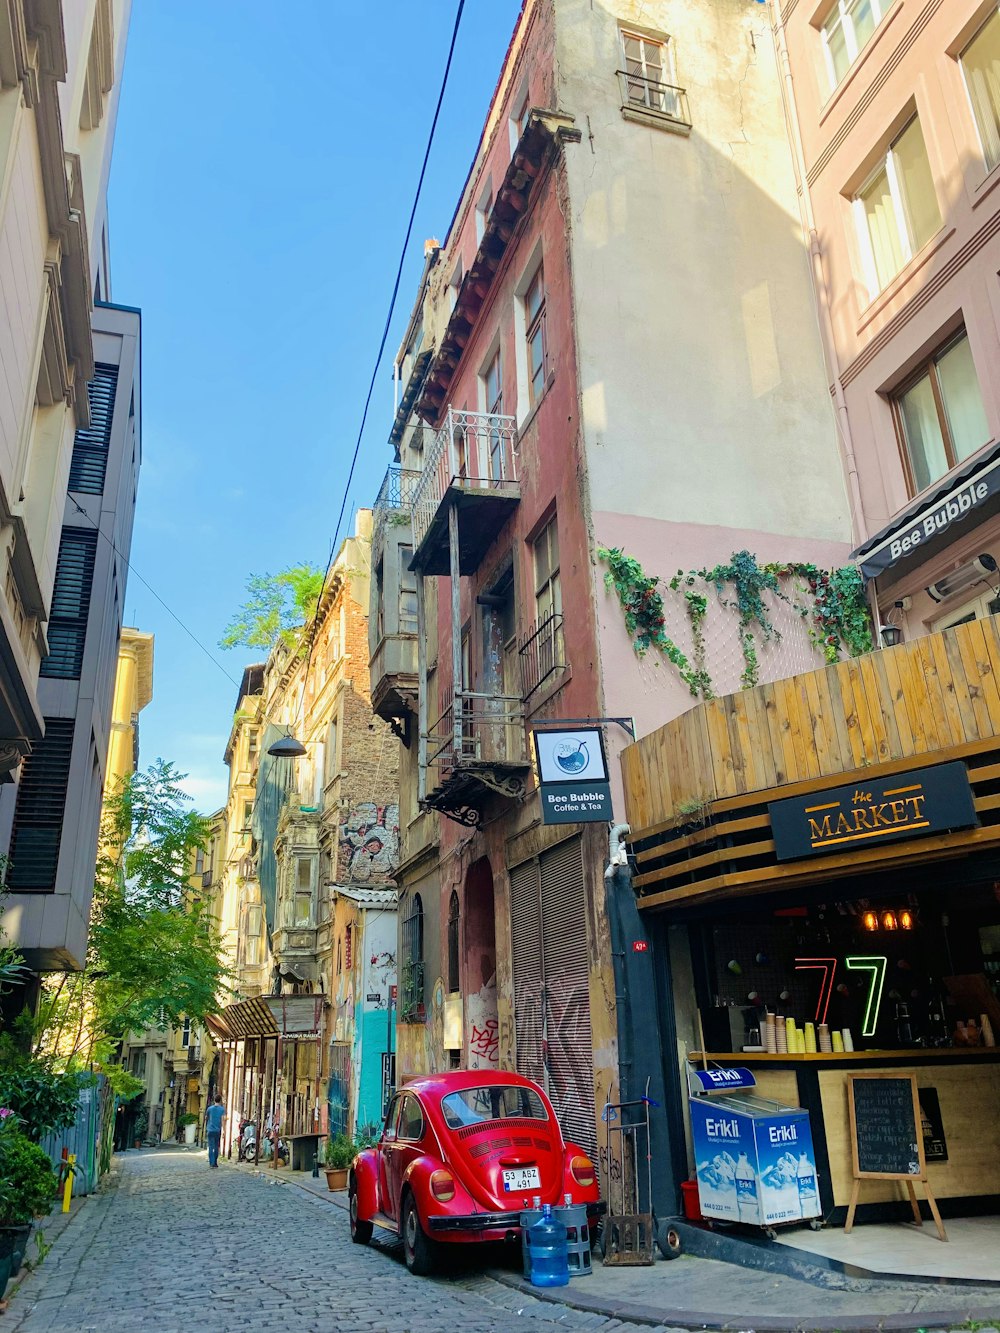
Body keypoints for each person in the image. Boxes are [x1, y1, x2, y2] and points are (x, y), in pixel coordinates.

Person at [205, 1095, 226, 1168]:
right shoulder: (222, 1109)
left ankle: (211, 1163)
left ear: (214, 1100)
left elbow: (206, 1118)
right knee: (216, 1146)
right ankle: (215, 1163)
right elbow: (222, 1120)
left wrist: (206, 1126)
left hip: (210, 1129)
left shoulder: (209, 1109)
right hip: (217, 1130)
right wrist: (224, 1131)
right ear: (220, 1101)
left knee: (211, 1147)